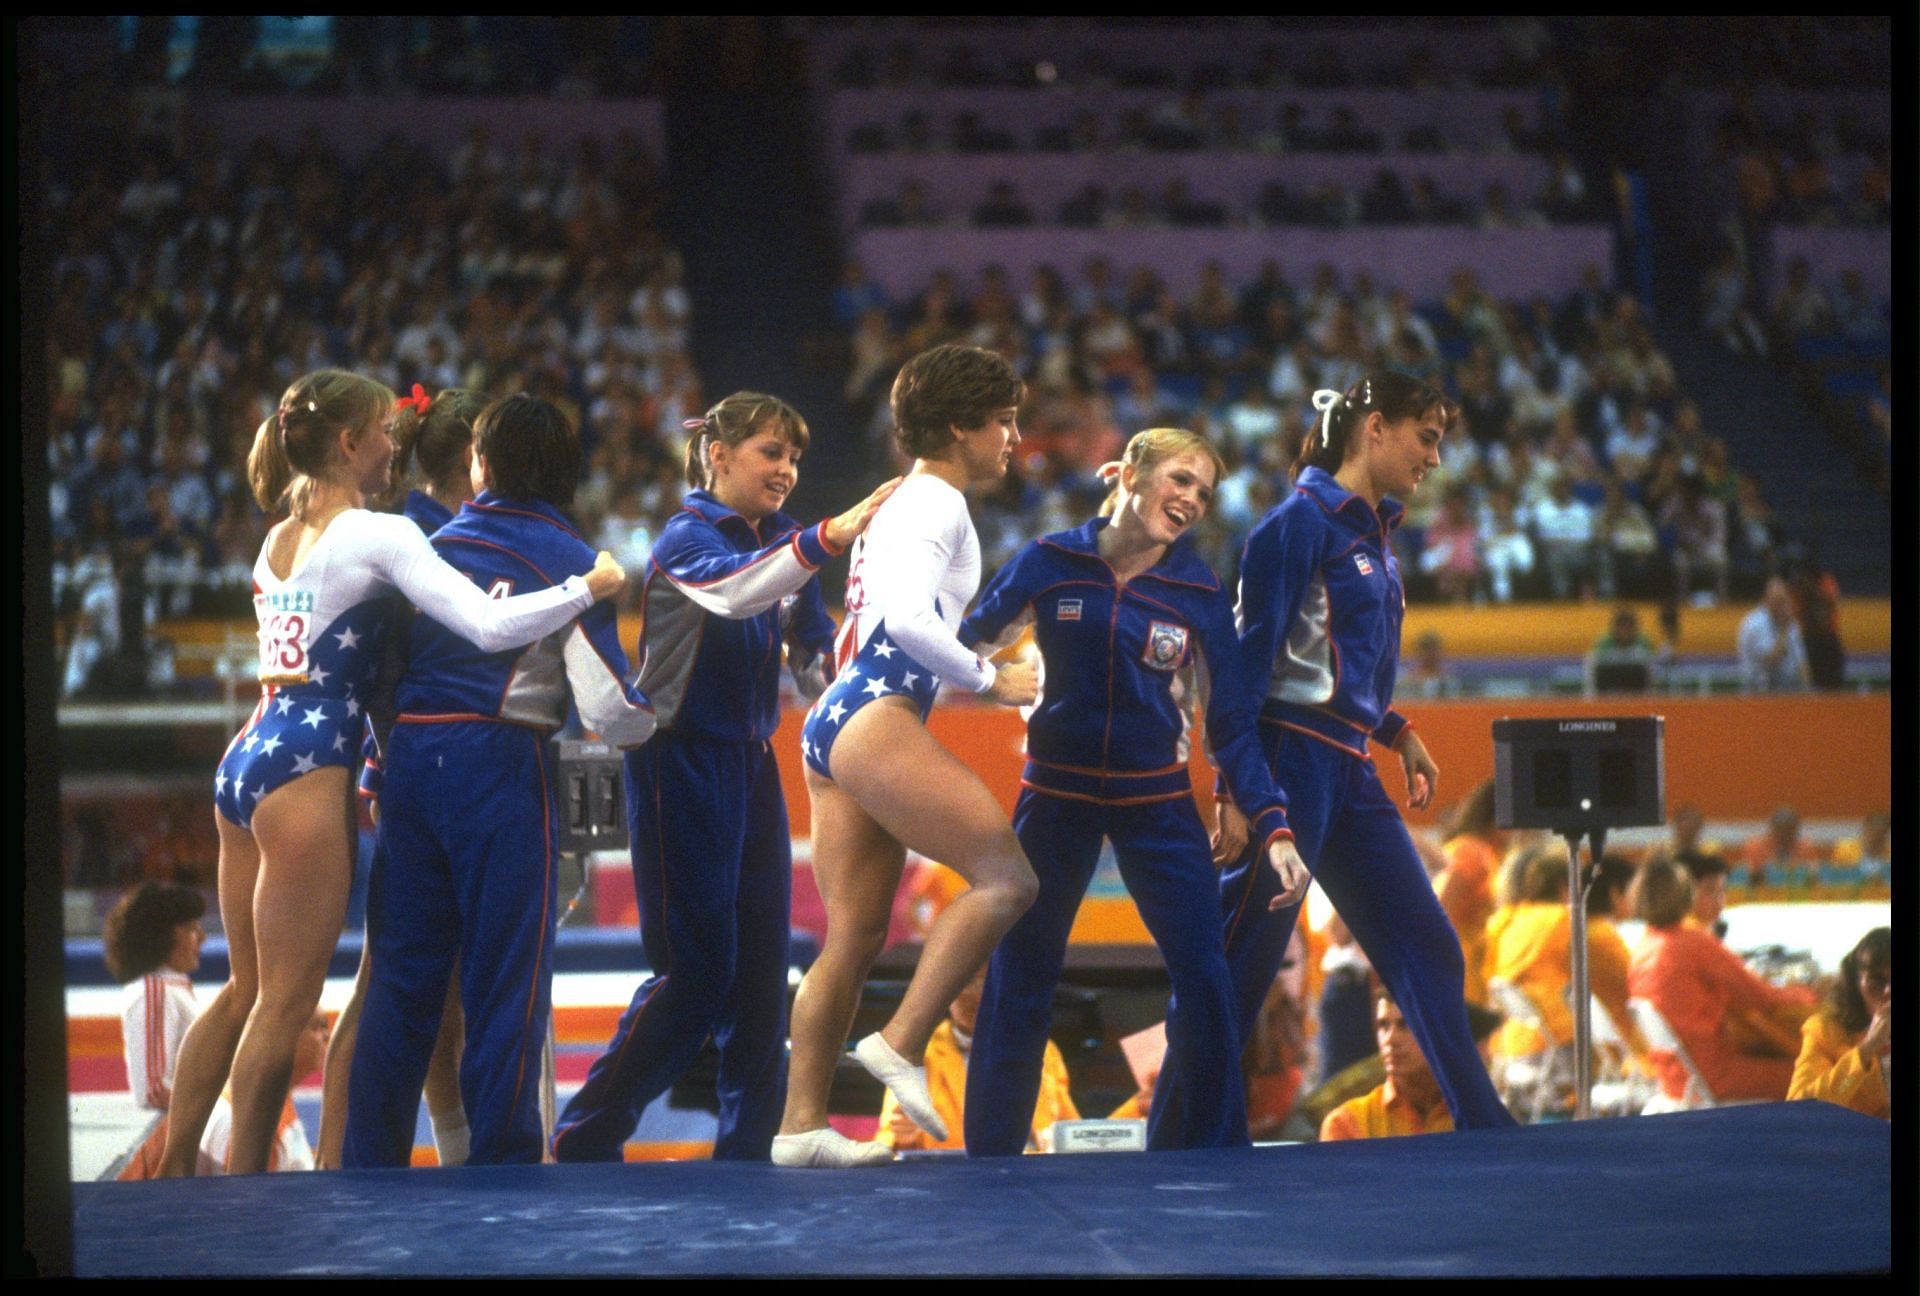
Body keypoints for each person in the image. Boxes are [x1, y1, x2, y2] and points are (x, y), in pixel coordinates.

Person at [157, 369, 628, 1177]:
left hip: (255, 748)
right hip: (329, 766)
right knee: (307, 999)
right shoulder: (392, 535)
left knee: (252, 992)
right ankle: (240, 1193)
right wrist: (589, 585)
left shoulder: (281, 535)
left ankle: (177, 1175)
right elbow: (493, 632)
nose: (393, 449)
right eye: (382, 433)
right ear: (349, 442)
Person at [1157, 374, 1517, 1134]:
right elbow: (1242, 677)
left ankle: (1483, 1128)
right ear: (1376, 428)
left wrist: (1393, 730)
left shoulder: (1374, 535)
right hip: (1285, 766)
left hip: (1348, 769)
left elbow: (1330, 667)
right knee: (1234, 972)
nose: (1437, 458)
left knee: (1428, 946)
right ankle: (1186, 1153)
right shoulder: (1298, 525)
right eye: (1428, 438)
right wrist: (1238, 794)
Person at [553, 393, 896, 1166]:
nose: (787, 470)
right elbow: (736, 590)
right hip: (677, 762)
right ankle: (586, 1133)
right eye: (771, 453)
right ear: (718, 454)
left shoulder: (781, 542)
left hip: (749, 763)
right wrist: (831, 534)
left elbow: (815, 666)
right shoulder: (688, 539)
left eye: (795, 457)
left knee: (758, 973)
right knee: (696, 974)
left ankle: (751, 1146)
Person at [954, 426, 1307, 1156]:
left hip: (1157, 806)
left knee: (1206, 980)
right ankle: (989, 1162)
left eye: (1204, 494)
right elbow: (966, 641)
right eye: (1180, 480)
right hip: (1053, 799)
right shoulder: (1049, 562)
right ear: (1126, 472)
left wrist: (1271, 821)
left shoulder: (1200, 590)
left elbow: (1233, 725)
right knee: (1021, 974)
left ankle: (1216, 1156)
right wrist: (984, 682)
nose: (1191, 501)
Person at [344, 395, 660, 1168]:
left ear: (481, 464)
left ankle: (366, 1167)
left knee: (400, 983)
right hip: (498, 764)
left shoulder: (426, 543)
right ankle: (505, 1165)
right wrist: (656, 718)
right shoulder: (572, 559)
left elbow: (380, 679)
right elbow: (608, 709)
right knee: (504, 982)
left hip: (410, 765)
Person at [776, 344, 1042, 1168]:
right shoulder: (935, 503)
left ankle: (799, 1128)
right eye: (1002, 422)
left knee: (851, 941)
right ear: (960, 427)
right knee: (1009, 880)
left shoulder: (901, 500)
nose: (1014, 439)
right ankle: (899, 1041)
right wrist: (989, 678)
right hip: (873, 712)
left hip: (839, 716)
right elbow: (909, 622)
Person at [317, 383, 484, 1170]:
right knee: (386, 979)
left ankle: (453, 1143)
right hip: (405, 771)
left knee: (434, 980)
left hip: (410, 766)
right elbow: (387, 668)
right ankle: (332, 1161)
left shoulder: (440, 528)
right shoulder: (411, 535)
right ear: (472, 459)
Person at [1627, 860, 1817, 1104]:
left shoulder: (1643, 948)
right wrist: (1810, 994)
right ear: (1688, 895)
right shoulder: (1691, 941)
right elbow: (1760, 998)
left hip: (1675, 1079)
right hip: (1712, 1076)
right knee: (1817, 1075)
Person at [877, 969, 1078, 1154]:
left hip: (1029, 1177)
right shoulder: (914, 1055)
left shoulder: (1043, 1050)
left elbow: (1072, 1133)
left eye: (986, 983)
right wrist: (903, 1138)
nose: (974, 995)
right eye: (966, 982)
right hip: (951, 1180)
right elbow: (889, 1141)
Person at [104, 880, 207, 1112]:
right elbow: (154, 1090)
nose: (202, 937)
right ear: (159, 935)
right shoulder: (156, 992)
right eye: (190, 927)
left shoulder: (171, 989)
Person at [200, 1010, 330, 1174]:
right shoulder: (253, 1122)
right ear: (281, 1038)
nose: (327, 1035)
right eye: (318, 1027)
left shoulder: (276, 1099)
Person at [1319, 985, 1452, 1142]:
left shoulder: (1471, 1114)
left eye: (1405, 1024)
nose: (1390, 1038)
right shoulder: (1347, 1122)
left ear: (1439, 1030)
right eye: (1383, 1025)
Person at [1787, 927, 1889, 1120]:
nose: (1888, 992)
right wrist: (1865, 1052)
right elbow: (1799, 1109)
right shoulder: (1825, 1032)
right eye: (1877, 981)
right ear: (1857, 984)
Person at [1432, 780, 1504, 1010]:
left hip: (1475, 969)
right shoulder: (1470, 851)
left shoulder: (1488, 852)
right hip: (1458, 970)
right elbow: (1439, 910)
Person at [1736, 577, 1809, 693]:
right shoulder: (1754, 624)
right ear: (1766, 600)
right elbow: (1771, 661)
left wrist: (1807, 689)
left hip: (1788, 690)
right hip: (1759, 691)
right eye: (1778, 601)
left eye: (1784, 600)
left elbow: (1801, 662)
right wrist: (1784, 630)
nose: (1783, 606)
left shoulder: (1789, 622)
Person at [1825, 812, 1890, 898]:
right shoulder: (1844, 850)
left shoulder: (1889, 856)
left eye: (1880, 835)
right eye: (1872, 832)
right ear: (1865, 830)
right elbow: (1832, 880)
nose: (1875, 839)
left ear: (1885, 835)